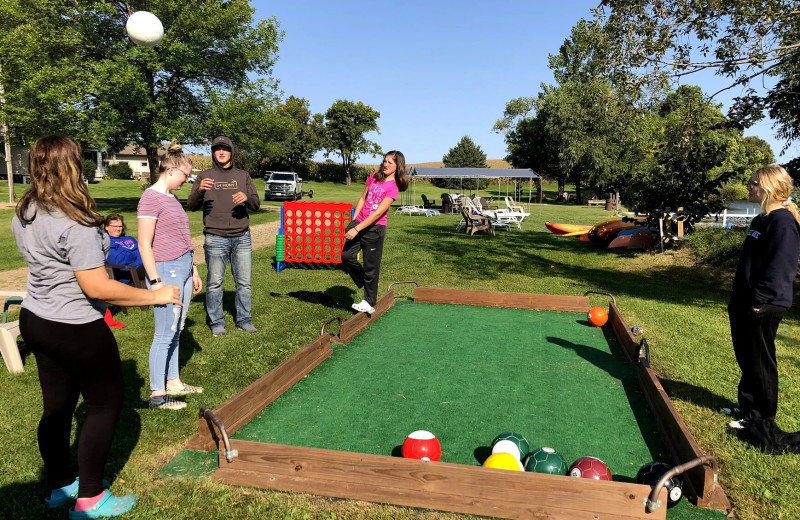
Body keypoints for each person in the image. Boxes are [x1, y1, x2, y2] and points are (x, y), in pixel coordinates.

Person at [12, 135, 181, 519]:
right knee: (105, 405)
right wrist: (156, 295)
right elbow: (97, 286)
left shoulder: (26, 211)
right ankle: (89, 497)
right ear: (74, 166)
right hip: (75, 326)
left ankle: (59, 486)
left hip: (36, 319)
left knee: (56, 408)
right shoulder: (76, 222)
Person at [727, 164, 800, 429]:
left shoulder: (783, 222)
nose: (749, 186)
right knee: (747, 358)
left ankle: (761, 417)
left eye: (754, 182)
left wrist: (761, 301)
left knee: (761, 361)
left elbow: (781, 266)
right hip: (744, 301)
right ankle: (747, 407)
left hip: (763, 304)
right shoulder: (761, 220)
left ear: (768, 187)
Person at [138, 142, 204, 410]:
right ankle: (157, 394)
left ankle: (173, 381)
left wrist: (194, 269)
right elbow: (144, 243)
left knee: (177, 330)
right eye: (184, 175)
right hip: (165, 270)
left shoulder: (171, 198)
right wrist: (155, 282)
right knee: (164, 333)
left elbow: (181, 237)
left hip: (184, 267)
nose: (186, 180)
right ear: (170, 170)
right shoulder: (150, 198)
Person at [187, 135, 260, 336]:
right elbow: (191, 205)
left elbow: (256, 204)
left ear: (231, 152)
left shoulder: (243, 175)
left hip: (241, 237)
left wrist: (246, 198)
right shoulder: (204, 176)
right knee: (214, 283)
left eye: (225, 149)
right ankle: (217, 322)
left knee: (244, 283)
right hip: (215, 237)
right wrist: (200, 191)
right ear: (213, 152)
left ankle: (244, 320)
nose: (221, 152)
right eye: (217, 149)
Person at [341, 150, 409, 314]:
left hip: (375, 229)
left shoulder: (393, 188)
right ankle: (368, 282)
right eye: (385, 161)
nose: (385, 164)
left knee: (371, 267)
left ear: (397, 166)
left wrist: (358, 228)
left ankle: (369, 301)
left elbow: (378, 213)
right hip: (360, 222)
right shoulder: (373, 177)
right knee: (346, 256)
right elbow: (362, 199)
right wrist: (354, 222)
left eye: (390, 163)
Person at [102, 214, 146, 329]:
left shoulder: (129, 239)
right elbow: (117, 260)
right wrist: (134, 254)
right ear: (106, 227)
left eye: (120, 226)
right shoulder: (107, 242)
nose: (118, 228)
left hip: (139, 266)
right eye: (115, 226)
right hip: (128, 272)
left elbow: (143, 250)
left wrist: (129, 255)